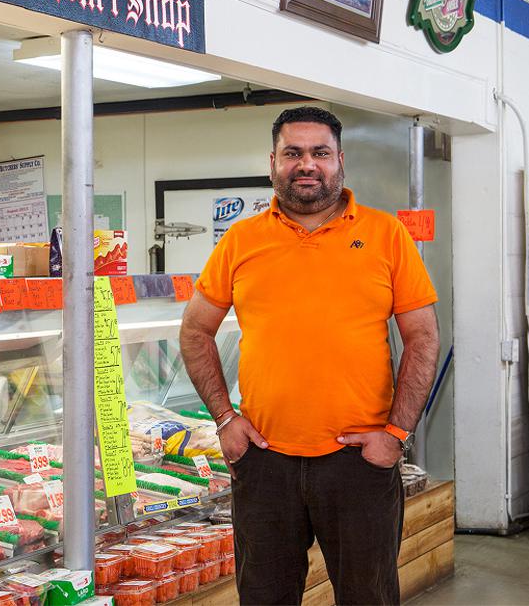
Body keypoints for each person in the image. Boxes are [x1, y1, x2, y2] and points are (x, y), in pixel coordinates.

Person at [179, 106, 440, 606]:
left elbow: (424, 338)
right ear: (272, 162)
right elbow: (195, 330)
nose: (307, 164)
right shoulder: (241, 240)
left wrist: (396, 436)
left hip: (358, 464)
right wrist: (224, 419)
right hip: (264, 462)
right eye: (292, 153)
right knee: (264, 598)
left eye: (319, 153)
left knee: (368, 598)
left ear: (340, 160)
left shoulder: (387, 236)